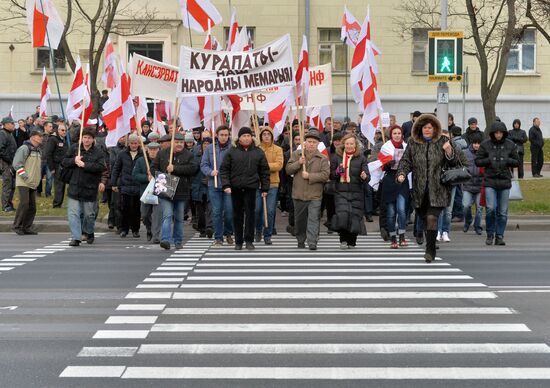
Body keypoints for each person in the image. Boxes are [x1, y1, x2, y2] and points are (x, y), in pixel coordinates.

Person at [397, 114, 459, 263]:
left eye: (430, 127)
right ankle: (429, 240)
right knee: (424, 218)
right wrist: (402, 173)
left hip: (438, 189)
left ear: (435, 128)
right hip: (420, 190)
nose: (427, 130)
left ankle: (430, 250)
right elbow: (406, 161)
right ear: (420, 128)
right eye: (424, 127)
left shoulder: (444, 141)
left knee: (432, 218)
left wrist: (449, 152)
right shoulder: (412, 143)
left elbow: (454, 163)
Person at [220, 127, 270, 251]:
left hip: (251, 188)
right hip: (235, 188)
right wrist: (226, 185)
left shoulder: (258, 152)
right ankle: (238, 241)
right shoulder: (232, 151)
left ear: (251, 137)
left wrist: (265, 188)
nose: (246, 138)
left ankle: (249, 240)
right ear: (239, 138)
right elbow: (224, 169)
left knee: (250, 214)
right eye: (244, 136)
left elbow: (264, 171)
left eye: (248, 136)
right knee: (237, 215)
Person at [151, 132, 198, 250]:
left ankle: (178, 240)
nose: (179, 144)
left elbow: (193, 169)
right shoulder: (162, 154)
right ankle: (165, 239)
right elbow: (153, 167)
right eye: (177, 142)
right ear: (172, 142)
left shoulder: (188, 155)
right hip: (166, 189)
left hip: (181, 190)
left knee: (179, 217)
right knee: (167, 215)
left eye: (181, 142)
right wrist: (159, 176)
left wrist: (175, 168)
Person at [475, 121, 520, 246]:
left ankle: (499, 236)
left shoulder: (510, 144)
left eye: (501, 133)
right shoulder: (485, 144)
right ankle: (490, 234)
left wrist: (507, 160)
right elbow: (477, 161)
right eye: (496, 133)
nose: (498, 135)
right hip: (490, 180)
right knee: (490, 208)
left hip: (504, 181)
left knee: (503, 212)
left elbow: (517, 162)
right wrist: (488, 160)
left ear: (504, 133)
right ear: (492, 133)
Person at [286, 129, 330, 250]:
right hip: (298, 194)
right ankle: (300, 239)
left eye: (314, 142)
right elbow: (288, 169)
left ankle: (312, 241)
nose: (311, 144)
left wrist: (310, 176)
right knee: (300, 220)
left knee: (313, 218)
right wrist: (298, 163)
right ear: (305, 143)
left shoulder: (322, 158)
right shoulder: (297, 154)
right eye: (309, 141)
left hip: (315, 195)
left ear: (317, 144)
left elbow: (326, 175)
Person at [62, 128, 106, 246]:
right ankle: (76, 237)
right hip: (74, 186)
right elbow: (64, 162)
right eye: (84, 137)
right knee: (73, 213)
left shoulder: (98, 152)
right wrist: (73, 160)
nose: (86, 140)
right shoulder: (75, 149)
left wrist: (85, 165)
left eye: (89, 138)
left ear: (93, 139)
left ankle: (89, 232)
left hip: (90, 188)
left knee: (89, 215)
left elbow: (101, 167)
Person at [330, 133, 369, 249]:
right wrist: (337, 172)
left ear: (355, 145)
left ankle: (352, 241)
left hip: (356, 191)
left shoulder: (361, 158)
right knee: (343, 214)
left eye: (351, 144)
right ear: (343, 145)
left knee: (354, 215)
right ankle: (343, 240)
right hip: (341, 191)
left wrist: (364, 176)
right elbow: (331, 175)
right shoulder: (336, 157)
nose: (349, 146)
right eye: (347, 144)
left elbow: (367, 176)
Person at [201, 125, 234, 247]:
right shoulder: (210, 148)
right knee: (216, 211)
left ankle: (229, 233)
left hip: (229, 185)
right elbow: (203, 165)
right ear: (217, 135)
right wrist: (210, 172)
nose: (224, 137)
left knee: (229, 211)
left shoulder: (233, 148)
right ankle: (218, 237)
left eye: (226, 135)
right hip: (214, 184)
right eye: (222, 135)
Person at [380, 126, 410, 248]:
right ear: (391, 135)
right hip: (390, 180)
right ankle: (393, 238)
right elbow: (381, 164)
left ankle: (402, 235)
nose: (397, 135)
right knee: (391, 212)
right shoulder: (385, 147)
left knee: (402, 210)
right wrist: (388, 164)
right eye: (395, 133)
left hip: (402, 180)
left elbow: (411, 163)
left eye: (399, 133)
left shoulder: (407, 147)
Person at [255, 126, 283, 245]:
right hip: (257, 184)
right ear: (261, 136)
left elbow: (278, 165)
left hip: (272, 183)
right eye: (264, 134)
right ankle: (257, 230)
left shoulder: (277, 149)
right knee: (257, 209)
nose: (266, 136)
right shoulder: (256, 149)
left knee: (270, 210)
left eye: (268, 134)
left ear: (272, 136)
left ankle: (268, 234)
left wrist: (263, 166)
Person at [111, 134, 143, 238]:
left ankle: (135, 229)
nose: (134, 145)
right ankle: (124, 229)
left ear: (138, 143)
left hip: (138, 185)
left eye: (136, 143)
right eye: (132, 143)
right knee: (125, 208)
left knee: (136, 209)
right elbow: (116, 169)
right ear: (128, 144)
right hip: (125, 185)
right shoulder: (122, 154)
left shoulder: (142, 154)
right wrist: (114, 183)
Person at [12, 130, 43, 234]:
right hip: (24, 182)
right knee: (24, 204)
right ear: (33, 137)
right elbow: (16, 164)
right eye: (39, 137)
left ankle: (26, 227)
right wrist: (25, 176)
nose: (41, 139)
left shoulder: (38, 150)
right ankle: (17, 226)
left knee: (32, 207)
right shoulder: (24, 148)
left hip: (33, 182)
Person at [133, 141, 161, 243]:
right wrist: (146, 178)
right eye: (150, 149)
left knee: (157, 216)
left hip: (158, 192)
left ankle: (155, 235)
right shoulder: (141, 160)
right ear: (147, 150)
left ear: (158, 150)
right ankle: (149, 229)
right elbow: (135, 175)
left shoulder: (162, 160)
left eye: (155, 149)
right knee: (144, 215)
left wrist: (157, 177)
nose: (152, 151)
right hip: (146, 192)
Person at [462, 131, 485, 235]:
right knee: (466, 206)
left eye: (478, 143)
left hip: (480, 185)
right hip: (468, 185)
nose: (476, 145)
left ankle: (477, 226)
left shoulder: (484, 153)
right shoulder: (465, 153)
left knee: (479, 208)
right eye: (474, 143)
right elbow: (461, 167)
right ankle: (468, 220)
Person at [191, 135, 213, 238]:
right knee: (200, 209)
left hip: (210, 184)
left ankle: (209, 227)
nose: (206, 146)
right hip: (198, 185)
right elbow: (192, 169)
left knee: (210, 207)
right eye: (204, 144)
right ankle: (202, 228)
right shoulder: (196, 155)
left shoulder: (214, 156)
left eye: (208, 144)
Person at [44, 121, 69, 208]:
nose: (64, 132)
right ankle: (56, 204)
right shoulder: (53, 139)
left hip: (64, 166)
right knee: (58, 185)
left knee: (62, 185)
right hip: (56, 166)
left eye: (66, 130)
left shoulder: (65, 139)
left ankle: (60, 202)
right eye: (62, 130)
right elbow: (48, 154)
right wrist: (52, 168)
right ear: (58, 130)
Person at [0, 117, 17, 212]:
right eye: (12, 123)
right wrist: (10, 160)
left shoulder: (9, 134)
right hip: (5, 163)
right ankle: (5, 206)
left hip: (11, 163)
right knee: (7, 184)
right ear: (5, 124)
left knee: (12, 185)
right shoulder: (2, 133)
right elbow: (1, 150)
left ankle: (9, 204)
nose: (14, 125)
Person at [36, 120, 53, 197]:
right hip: (41, 160)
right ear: (45, 127)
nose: (51, 128)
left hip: (49, 161)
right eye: (50, 126)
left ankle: (48, 193)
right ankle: (38, 192)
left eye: (52, 126)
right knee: (39, 177)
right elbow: (37, 146)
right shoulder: (40, 136)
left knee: (49, 178)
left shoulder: (53, 137)